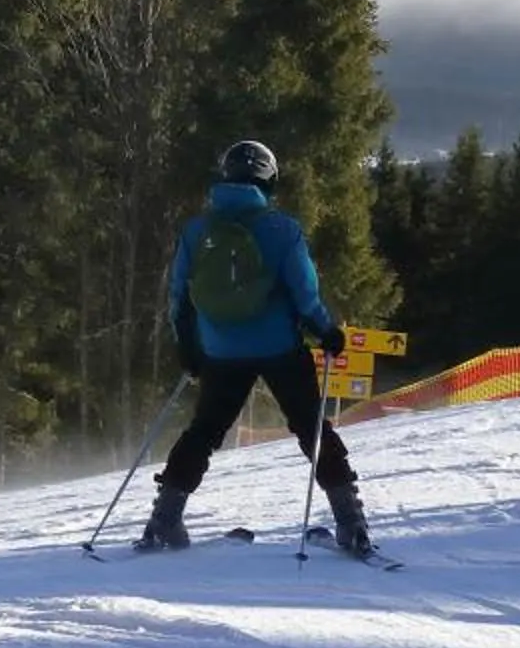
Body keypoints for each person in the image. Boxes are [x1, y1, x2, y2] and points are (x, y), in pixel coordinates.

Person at [138, 139, 372, 555]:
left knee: (204, 432)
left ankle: (163, 521)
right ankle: (350, 523)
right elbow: (304, 295)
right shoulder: (283, 229)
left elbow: (178, 298)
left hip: (220, 351)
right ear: (270, 180)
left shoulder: (196, 231)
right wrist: (326, 331)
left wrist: (188, 348)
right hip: (280, 347)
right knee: (311, 428)